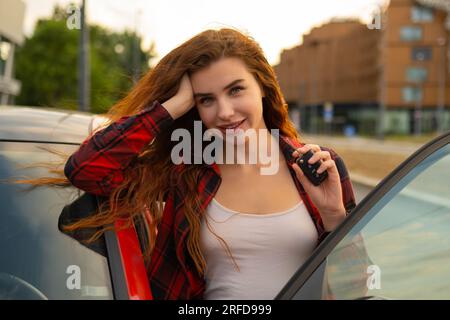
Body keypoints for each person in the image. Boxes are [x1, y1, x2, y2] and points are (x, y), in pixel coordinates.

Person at [63, 28, 357, 300]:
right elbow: (86, 169)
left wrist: (334, 216)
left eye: (236, 90)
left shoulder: (317, 167)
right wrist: (171, 107)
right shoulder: (186, 171)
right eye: (206, 100)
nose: (225, 112)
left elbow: (356, 284)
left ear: (263, 86)